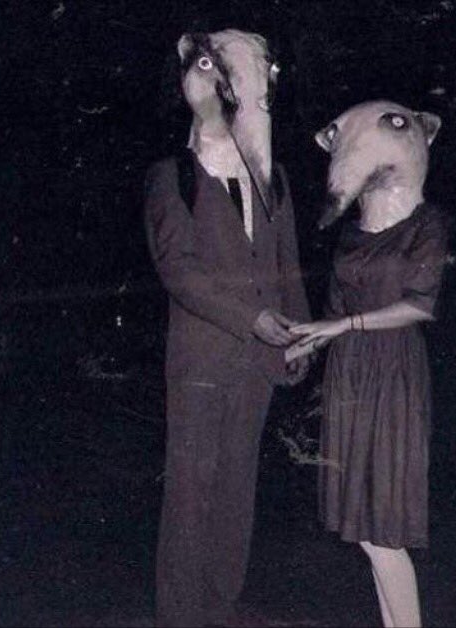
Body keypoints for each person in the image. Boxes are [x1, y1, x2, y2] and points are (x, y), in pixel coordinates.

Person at [144, 29, 310, 628]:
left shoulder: (273, 176)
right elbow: (179, 272)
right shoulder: (173, 176)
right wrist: (252, 320)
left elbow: (287, 265)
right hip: (202, 363)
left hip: (258, 365)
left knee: (238, 488)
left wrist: (301, 335)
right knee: (190, 491)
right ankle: (180, 616)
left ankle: (221, 607)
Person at [290, 101, 447, 627]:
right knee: (363, 530)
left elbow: (419, 306)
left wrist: (345, 327)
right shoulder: (353, 232)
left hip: (394, 371)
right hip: (350, 375)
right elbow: (334, 312)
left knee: (385, 531)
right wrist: (303, 344)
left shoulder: (427, 224)